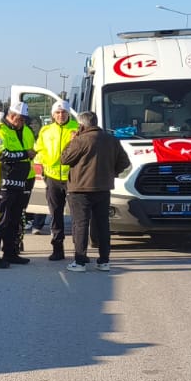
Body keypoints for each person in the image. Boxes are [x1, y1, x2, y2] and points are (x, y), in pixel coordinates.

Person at [59, 110, 131, 272]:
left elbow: (64, 159)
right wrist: (112, 173)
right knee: (103, 225)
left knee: (81, 224)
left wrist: (71, 141)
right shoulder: (111, 140)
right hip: (103, 188)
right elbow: (124, 162)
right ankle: (104, 260)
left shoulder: (80, 140)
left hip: (80, 189)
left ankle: (80, 261)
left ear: (81, 125)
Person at [0, 103, 36, 269]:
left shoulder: (20, 131)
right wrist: (25, 154)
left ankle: (10, 252)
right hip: (2, 184)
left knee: (14, 220)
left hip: (19, 183)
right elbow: (1, 155)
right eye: (21, 120)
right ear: (13, 117)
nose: (23, 123)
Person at [34, 100, 80, 261]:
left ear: (68, 113)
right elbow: (38, 150)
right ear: (53, 114)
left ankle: (79, 251)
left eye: (64, 112)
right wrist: (45, 165)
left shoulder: (77, 128)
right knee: (55, 214)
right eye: (58, 113)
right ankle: (57, 249)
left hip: (73, 177)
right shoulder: (46, 130)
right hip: (52, 177)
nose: (61, 115)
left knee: (77, 215)